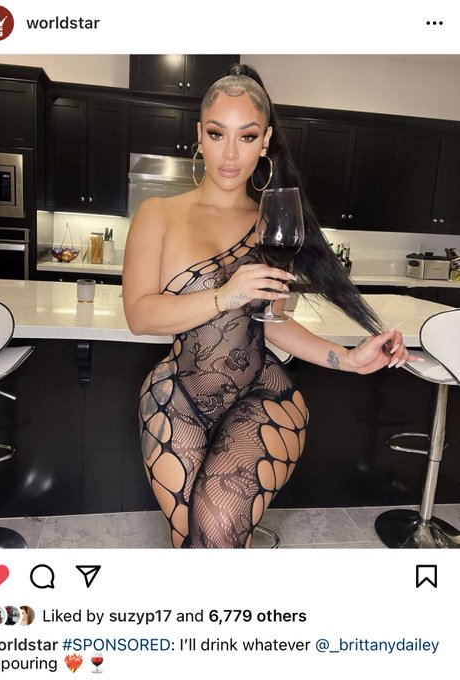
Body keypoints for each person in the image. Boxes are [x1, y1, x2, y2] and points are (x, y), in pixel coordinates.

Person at [122, 63, 418, 549]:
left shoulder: (273, 224)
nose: (230, 153)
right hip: (177, 393)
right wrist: (225, 294)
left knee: (219, 533)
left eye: (246, 136)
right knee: (189, 543)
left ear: (264, 142)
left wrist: (346, 358)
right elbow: (140, 315)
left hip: (262, 393)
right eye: (217, 133)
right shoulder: (158, 214)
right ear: (199, 136)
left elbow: (272, 324)